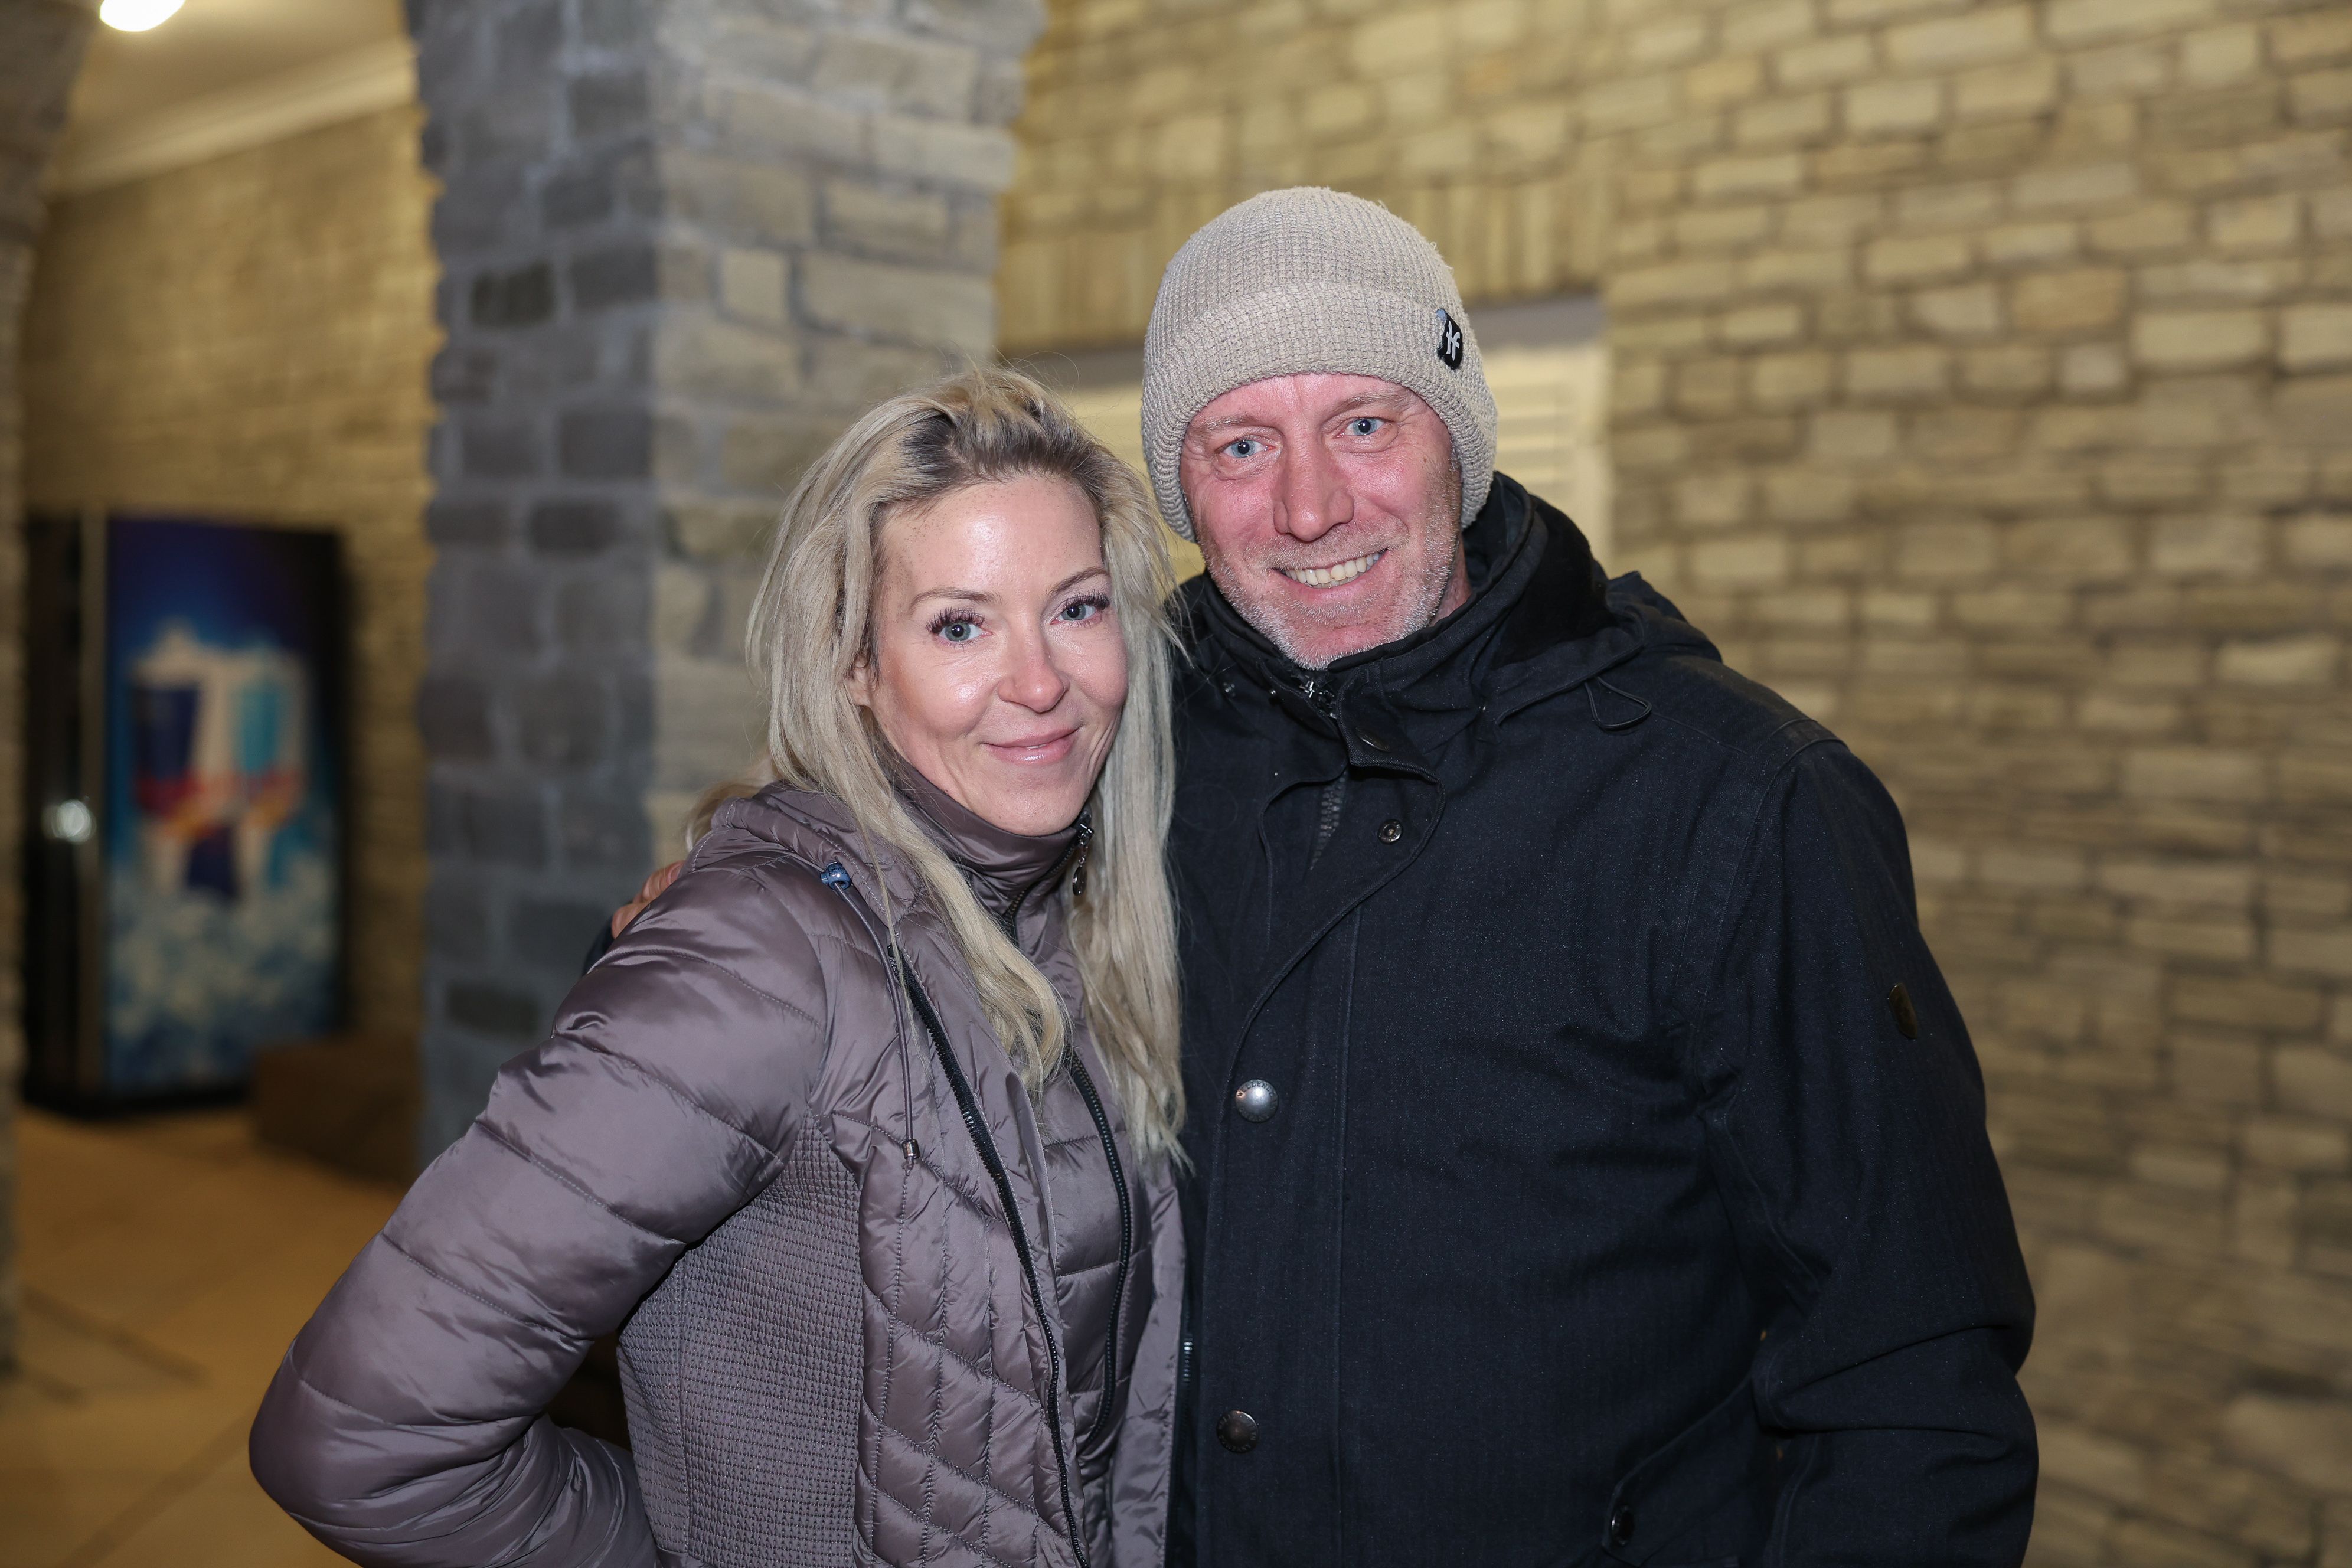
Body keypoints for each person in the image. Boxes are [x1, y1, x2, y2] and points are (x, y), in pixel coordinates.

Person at [613, 190, 2039, 1566]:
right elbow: (913, 791)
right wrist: (764, 892)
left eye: (1364, 423)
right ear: (1182, 491)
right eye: (1238, 446)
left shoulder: (1731, 803)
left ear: (1458, 443)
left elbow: (1910, 1377)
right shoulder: (1125, 741)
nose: (1308, 506)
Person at [250, 368, 1189, 1568]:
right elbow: (360, 1437)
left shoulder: (1072, 921)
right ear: (853, 665)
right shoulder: (757, 962)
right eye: (960, 623)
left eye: (1076, 606)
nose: (1041, 680)